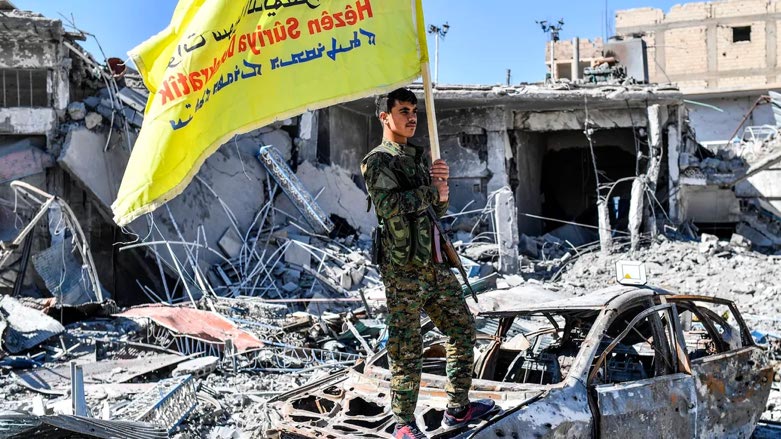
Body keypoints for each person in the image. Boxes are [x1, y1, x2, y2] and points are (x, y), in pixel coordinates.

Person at [360, 88, 495, 439]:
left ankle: (457, 408)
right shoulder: (377, 161)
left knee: (462, 327)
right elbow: (389, 207)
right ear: (384, 117)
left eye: (414, 110)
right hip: (402, 269)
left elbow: (432, 213)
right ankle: (403, 424)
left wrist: (442, 190)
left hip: (433, 264)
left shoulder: (417, 158)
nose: (412, 117)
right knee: (407, 345)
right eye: (403, 110)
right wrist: (432, 191)